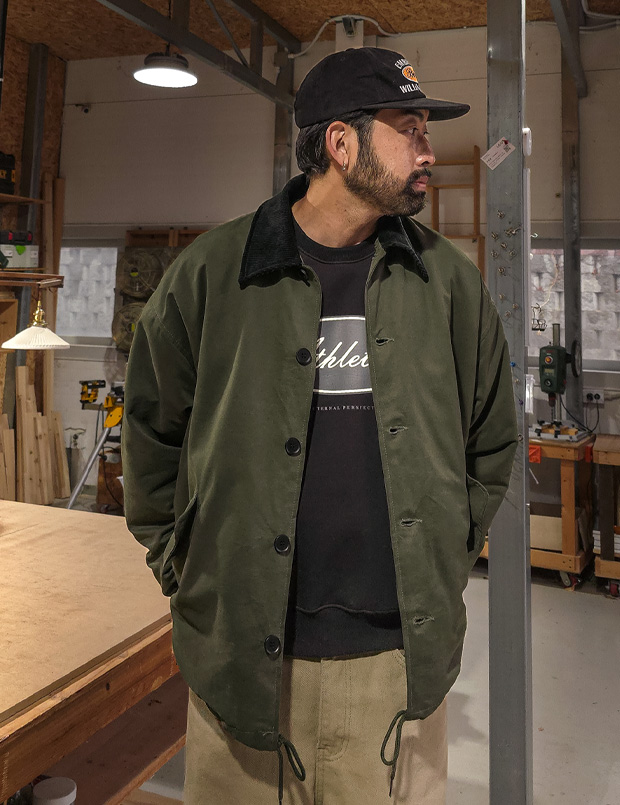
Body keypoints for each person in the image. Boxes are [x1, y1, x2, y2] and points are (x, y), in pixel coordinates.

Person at [122, 47, 518, 805]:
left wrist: (443, 552)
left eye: (426, 132)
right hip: (242, 661)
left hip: (395, 668)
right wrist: (183, 565)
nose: (428, 152)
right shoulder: (213, 273)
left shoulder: (447, 283)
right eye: (409, 130)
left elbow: (492, 438)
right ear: (341, 143)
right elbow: (150, 431)